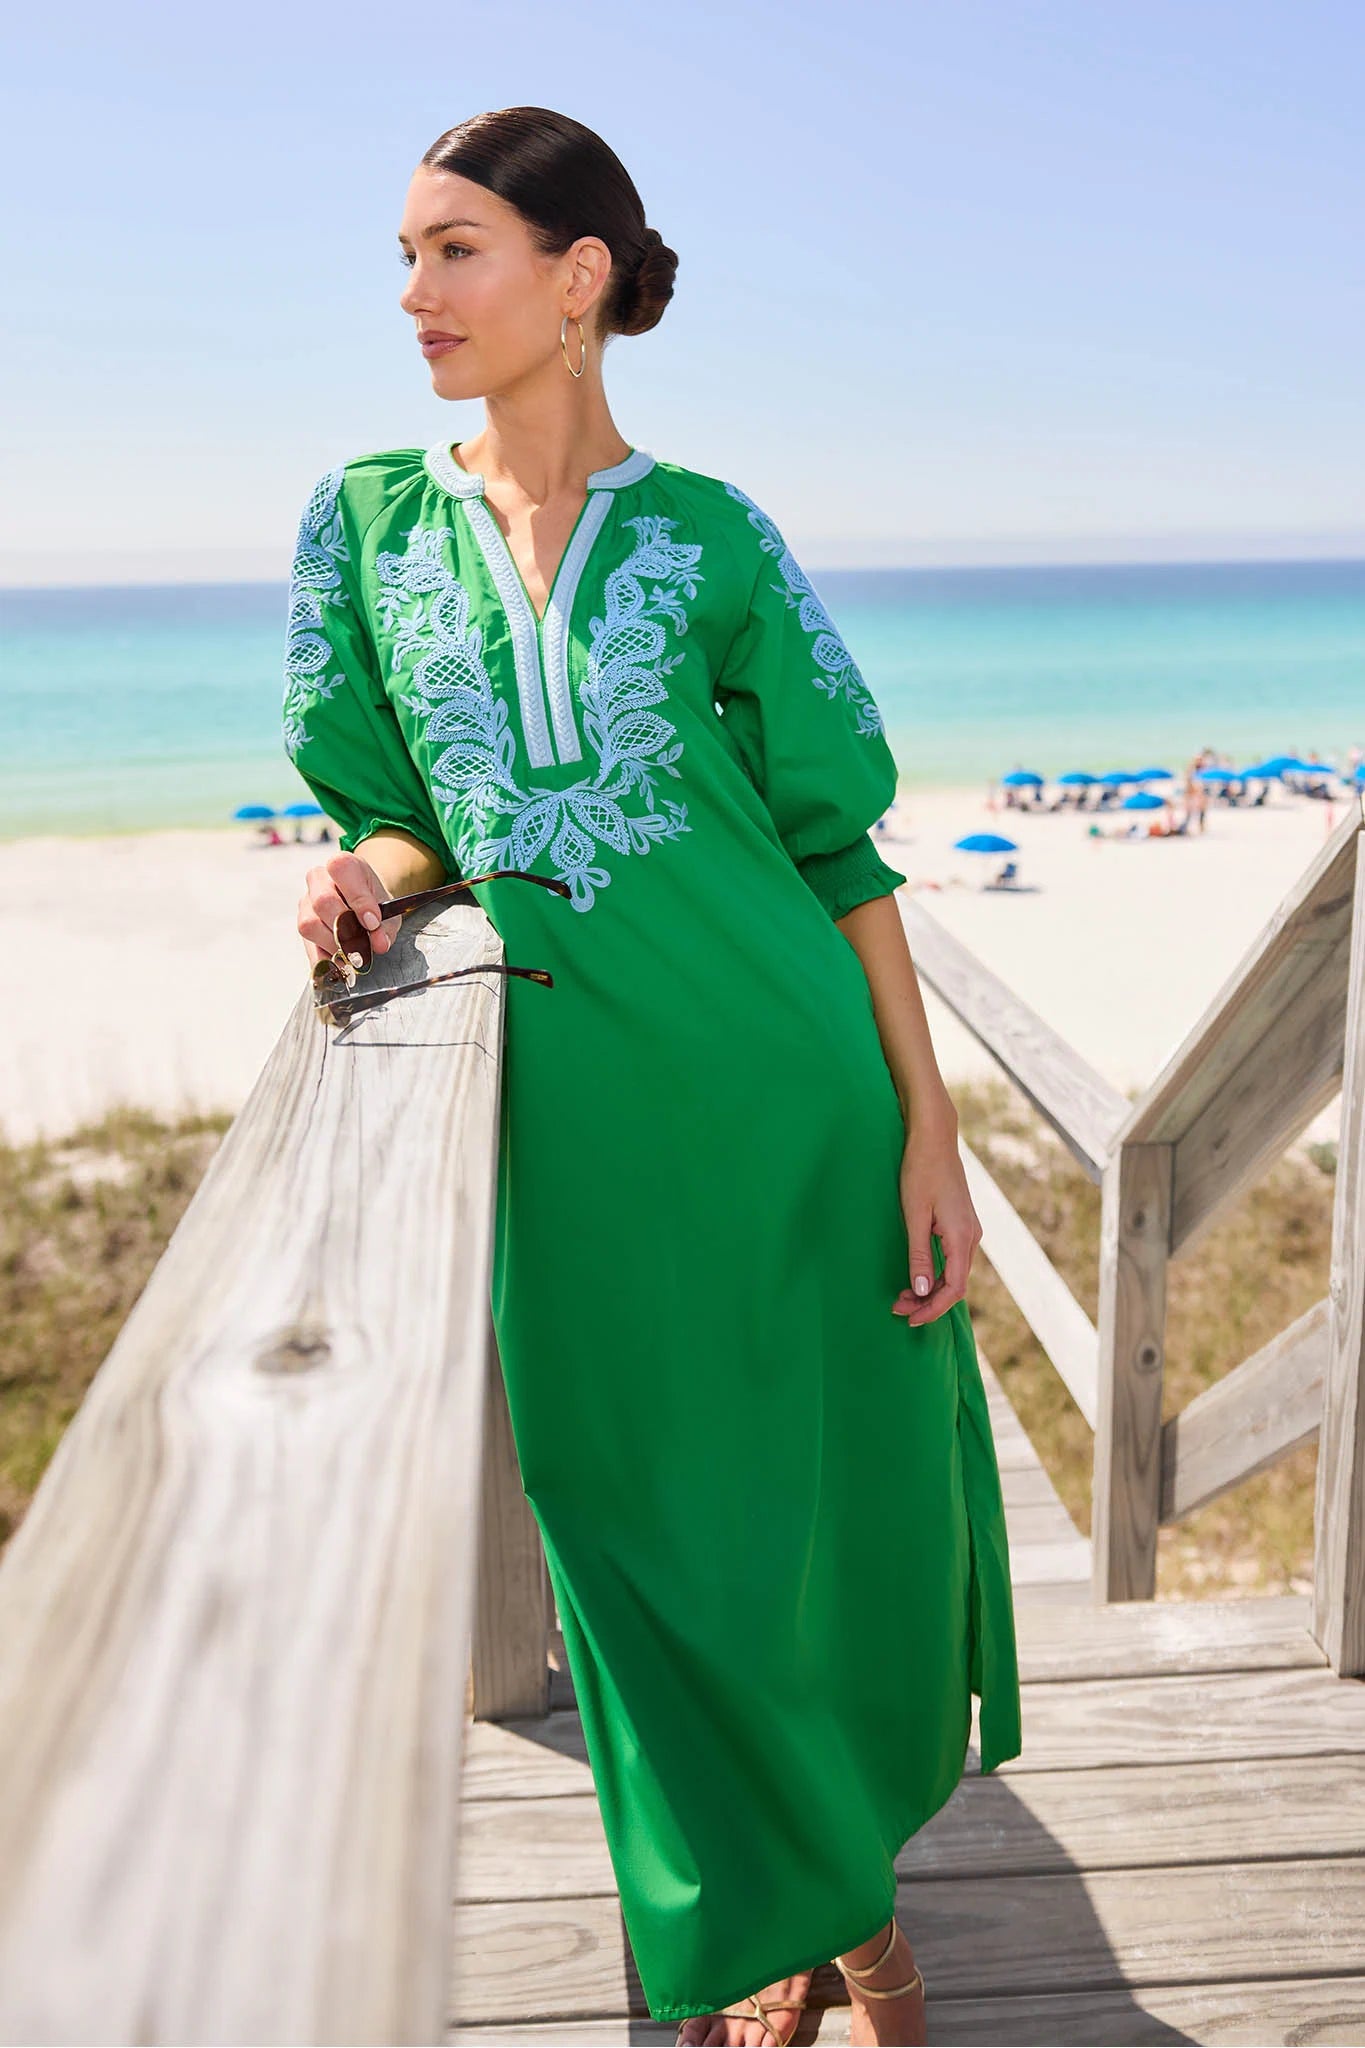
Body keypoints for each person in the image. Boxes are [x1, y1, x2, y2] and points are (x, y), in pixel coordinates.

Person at [283, 107, 1022, 2047]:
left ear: (576, 280)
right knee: (625, 1545)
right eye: (408, 254)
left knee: (811, 1532)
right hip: (574, 1143)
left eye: (456, 251)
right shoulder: (366, 523)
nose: (413, 292)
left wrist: (925, 1125)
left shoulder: (707, 535)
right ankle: (791, 1922)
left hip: (791, 1104)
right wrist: (362, 874)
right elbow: (399, 808)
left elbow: (834, 848)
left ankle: (834, 1929)